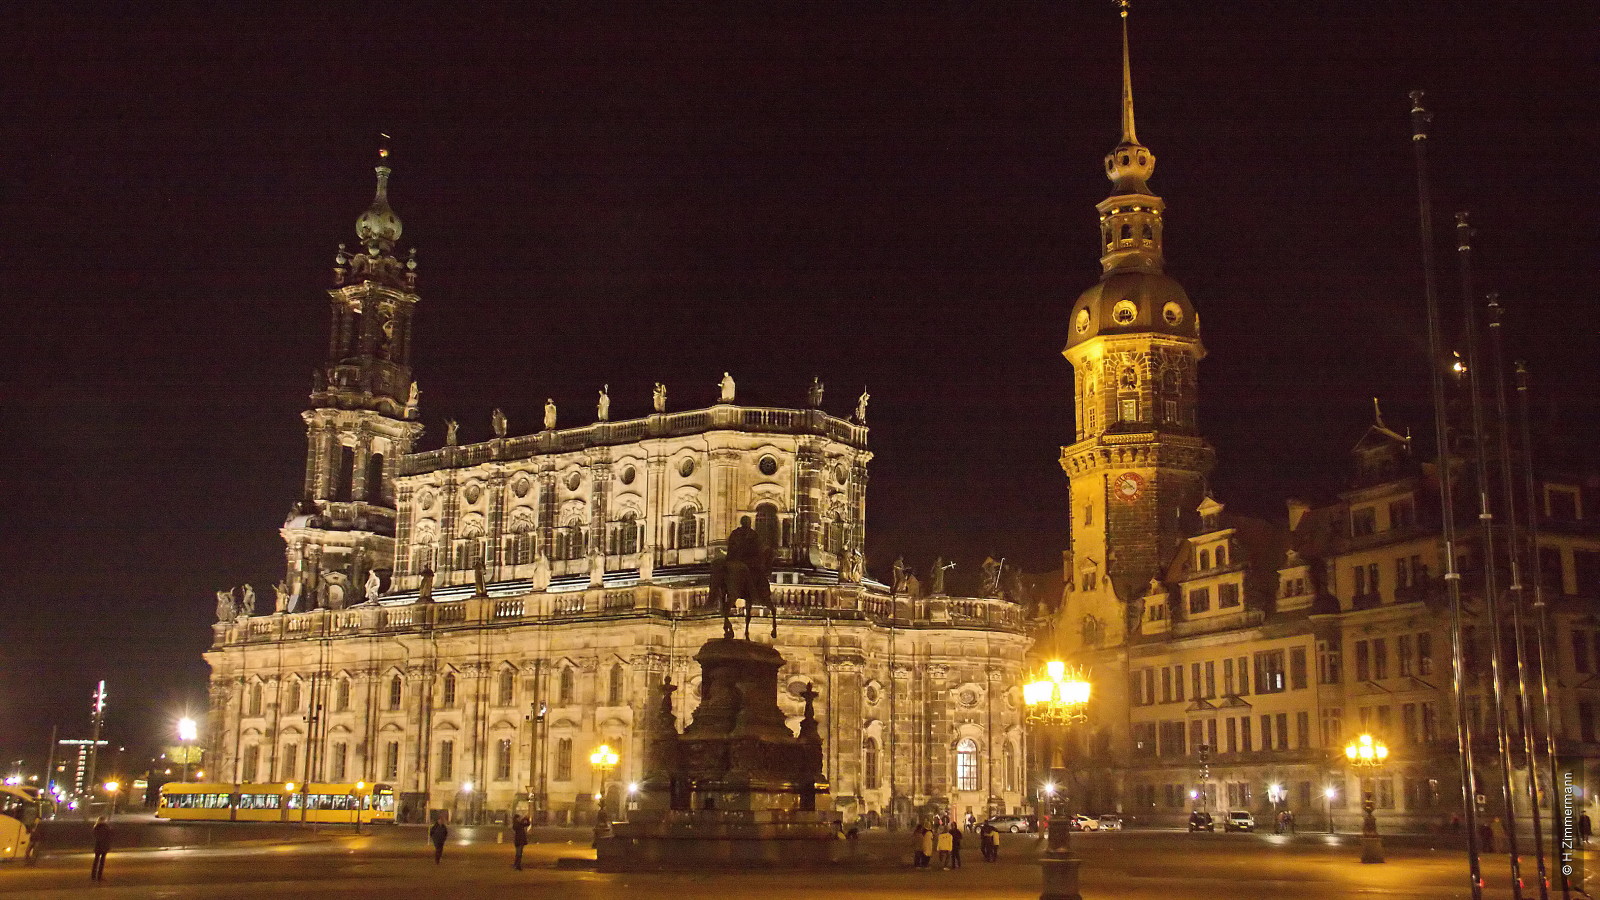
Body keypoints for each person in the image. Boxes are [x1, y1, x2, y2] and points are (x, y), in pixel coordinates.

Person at [90, 817, 111, 881]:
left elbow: (95, 837)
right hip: (104, 846)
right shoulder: (106, 828)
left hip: (98, 846)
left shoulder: (96, 827)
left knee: (96, 860)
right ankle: (99, 876)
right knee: (102, 862)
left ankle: (93, 875)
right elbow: (109, 836)